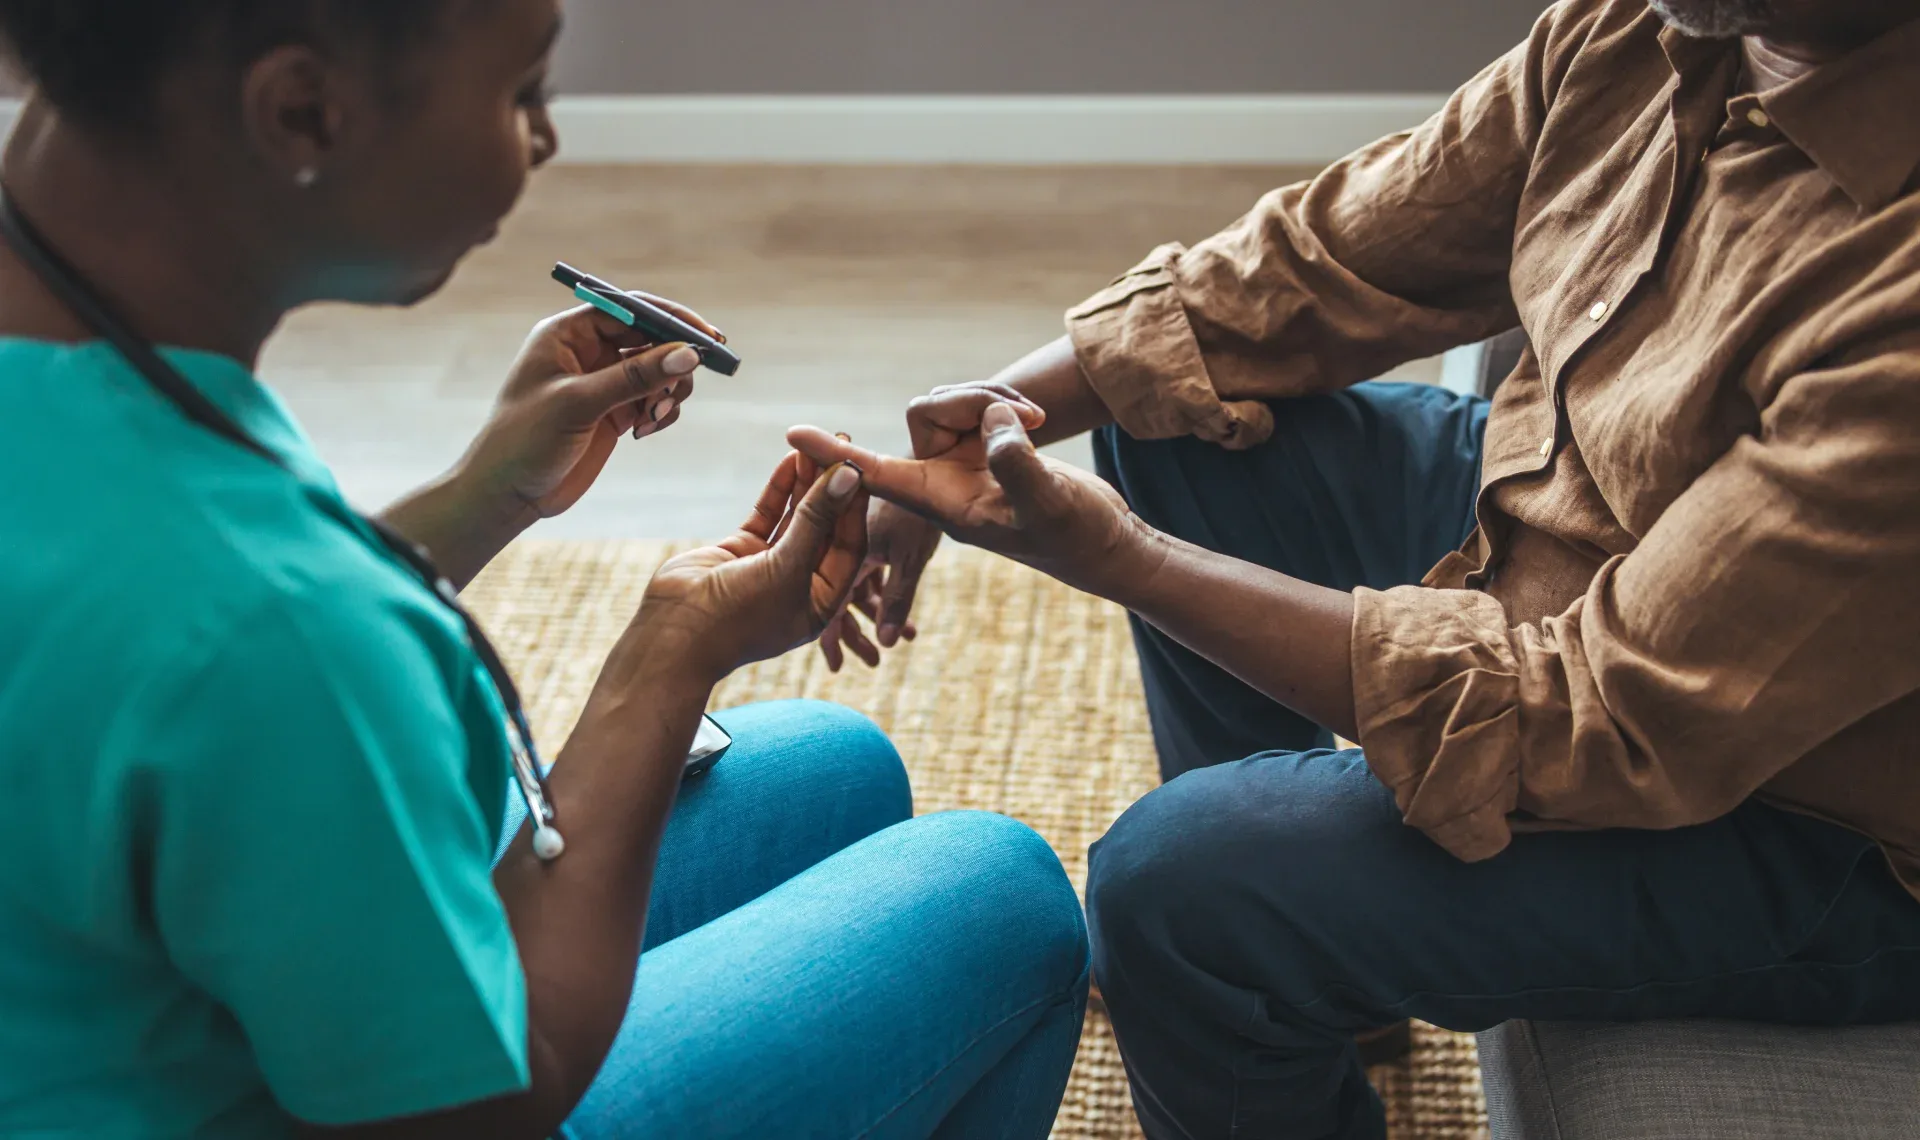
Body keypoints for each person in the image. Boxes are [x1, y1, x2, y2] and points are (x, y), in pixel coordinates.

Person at [792, 0, 1920, 1136]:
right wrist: (990, 422)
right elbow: (1331, 253)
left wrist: (1124, 560)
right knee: (1172, 413)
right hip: (1573, 518)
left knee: (1178, 890)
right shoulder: (1644, 28)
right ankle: (1315, 986)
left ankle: (1258, 950)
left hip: (1812, 807)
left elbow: (1594, 715)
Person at [0, 2, 1091, 1138]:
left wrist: (487, 493)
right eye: (525, 93)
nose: (546, 139)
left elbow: (159, 661)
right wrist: (674, 651)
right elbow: (501, 1096)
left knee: (834, 767)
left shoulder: (99, 409)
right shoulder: (282, 626)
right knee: (999, 892)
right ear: (302, 112)